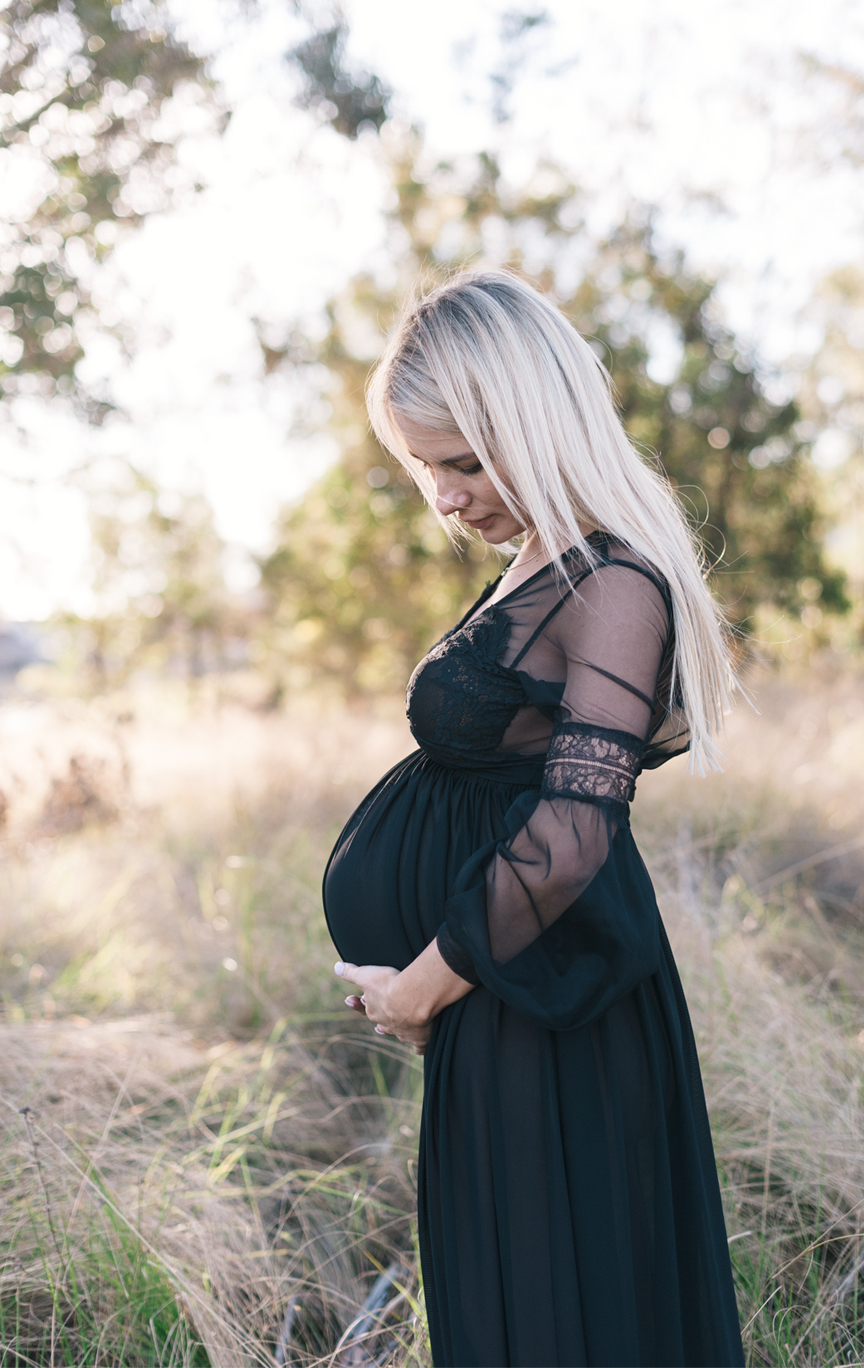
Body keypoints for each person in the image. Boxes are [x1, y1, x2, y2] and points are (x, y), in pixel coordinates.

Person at [323, 270, 745, 1368]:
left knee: (564, 1312)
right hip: (503, 996)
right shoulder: (532, 565)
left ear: (540, 425)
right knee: (511, 1306)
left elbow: (572, 830)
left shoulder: (613, 584)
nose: (447, 497)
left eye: (465, 462)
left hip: (556, 1007)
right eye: (428, 467)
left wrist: (418, 985)